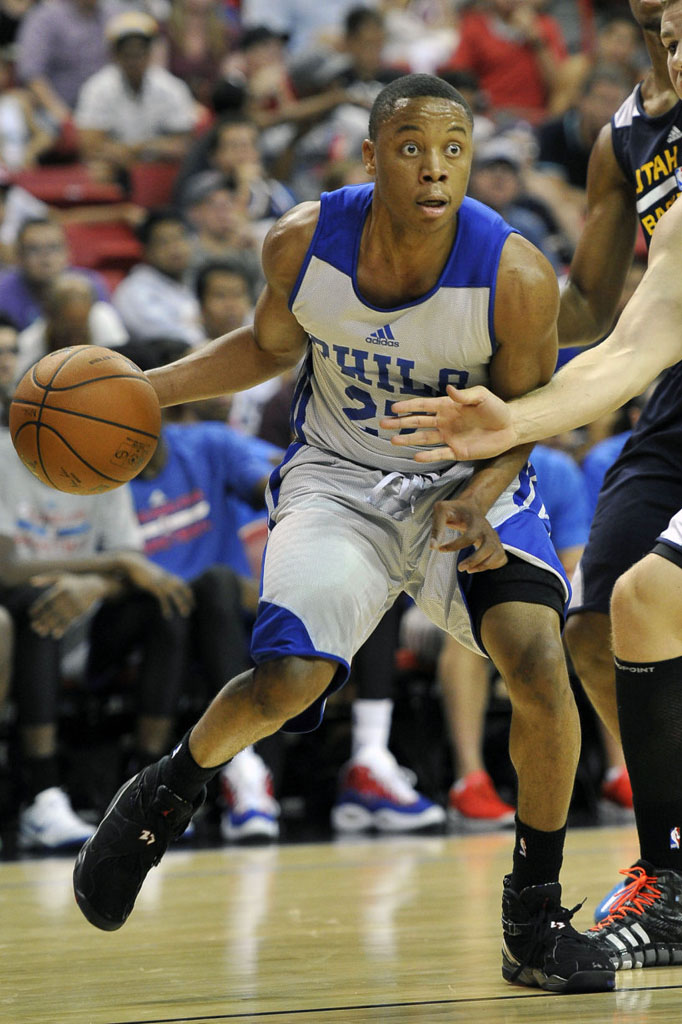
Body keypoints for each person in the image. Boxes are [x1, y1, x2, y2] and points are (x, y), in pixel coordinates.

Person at [72, 73, 614, 994]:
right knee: (291, 676)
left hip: (463, 483)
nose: (435, 169)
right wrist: (144, 392)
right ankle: (170, 789)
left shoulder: (515, 274)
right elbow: (269, 349)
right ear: (370, 156)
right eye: (411, 148)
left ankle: (534, 911)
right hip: (339, 480)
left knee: (538, 662)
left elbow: (529, 416)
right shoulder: (304, 240)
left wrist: (481, 498)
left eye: (453, 150)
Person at [379, 3, 682, 973]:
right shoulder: (631, 139)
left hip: (651, 368)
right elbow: (620, 321)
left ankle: (671, 889)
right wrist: (489, 341)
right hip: (669, 391)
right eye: (662, 24)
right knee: (597, 628)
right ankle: (668, 868)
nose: (671, 34)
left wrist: (516, 418)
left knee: (650, 599)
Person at [74, 11, 197, 185]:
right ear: (115, 55)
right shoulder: (96, 89)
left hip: (159, 168)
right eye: (128, 53)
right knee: (98, 171)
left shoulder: (172, 88)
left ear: (149, 53)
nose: (134, 61)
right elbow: (90, 147)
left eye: (140, 52)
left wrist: (139, 149)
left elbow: (184, 145)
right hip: (115, 169)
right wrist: (147, 151)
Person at [112, 208, 204, 346]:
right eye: (164, 242)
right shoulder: (134, 290)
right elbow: (162, 336)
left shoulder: (196, 279)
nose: (176, 248)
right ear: (146, 250)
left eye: (180, 238)